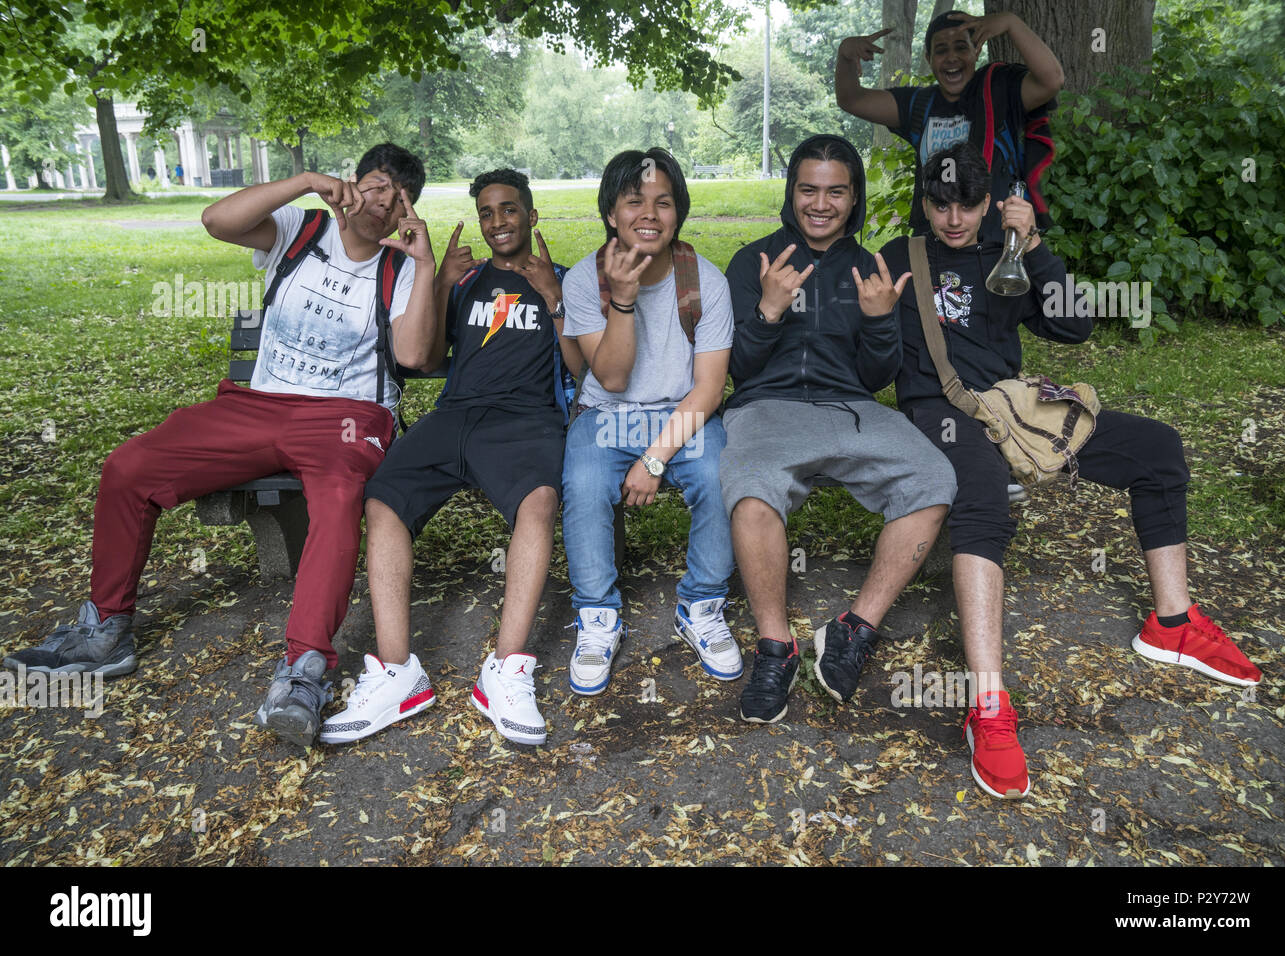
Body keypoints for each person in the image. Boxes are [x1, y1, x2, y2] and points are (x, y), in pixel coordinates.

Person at [3, 143, 435, 748]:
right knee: (129, 468)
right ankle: (105, 629)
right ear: (351, 183)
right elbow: (215, 221)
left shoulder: (402, 266)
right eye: (373, 183)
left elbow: (414, 356)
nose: (380, 200)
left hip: (345, 418)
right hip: (255, 408)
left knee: (338, 503)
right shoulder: (301, 227)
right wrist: (306, 181)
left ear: (402, 213)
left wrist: (427, 260)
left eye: (395, 196)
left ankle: (305, 670)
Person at [880, 142, 1262, 800]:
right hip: (938, 410)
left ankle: (1172, 623)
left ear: (992, 203)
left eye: (968, 205)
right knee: (982, 501)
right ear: (924, 201)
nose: (952, 218)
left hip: (1016, 404)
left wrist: (1035, 247)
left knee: (1159, 449)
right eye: (940, 204)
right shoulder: (899, 258)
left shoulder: (1008, 255)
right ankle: (990, 706)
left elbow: (1075, 327)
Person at [325, 168, 582, 746]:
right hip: (455, 415)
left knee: (538, 503)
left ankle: (506, 669)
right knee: (384, 497)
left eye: (510, 210)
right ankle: (398, 674)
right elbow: (423, 357)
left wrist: (554, 297)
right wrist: (438, 280)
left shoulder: (564, 279)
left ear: (532, 216)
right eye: (487, 212)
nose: (497, 222)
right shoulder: (465, 283)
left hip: (525, 423)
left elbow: (583, 370)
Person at [722, 134, 957, 724]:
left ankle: (855, 629)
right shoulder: (754, 260)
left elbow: (878, 376)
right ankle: (776, 648)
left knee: (935, 476)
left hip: (849, 410)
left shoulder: (868, 268)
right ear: (791, 192)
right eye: (808, 189)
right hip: (766, 408)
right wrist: (769, 311)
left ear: (853, 199)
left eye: (835, 191)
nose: (820, 203)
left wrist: (880, 321)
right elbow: (738, 369)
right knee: (751, 492)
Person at [560, 147, 740, 697]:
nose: (649, 214)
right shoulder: (584, 282)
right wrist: (623, 300)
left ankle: (702, 605)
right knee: (587, 482)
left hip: (683, 412)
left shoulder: (706, 281)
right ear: (611, 212)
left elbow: (709, 388)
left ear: (678, 213)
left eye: (664, 202)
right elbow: (612, 379)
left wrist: (656, 457)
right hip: (607, 413)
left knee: (718, 474)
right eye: (634, 200)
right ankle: (597, 619)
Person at [836, 10, 1064, 241]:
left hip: (995, 247)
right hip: (933, 249)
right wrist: (845, 55)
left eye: (961, 47)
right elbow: (851, 99)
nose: (952, 57)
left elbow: (1052, 80)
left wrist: (1011, 23)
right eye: (941, 50)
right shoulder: (918, 104)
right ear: (929, 58)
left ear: (976, 51)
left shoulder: (1000, 92)